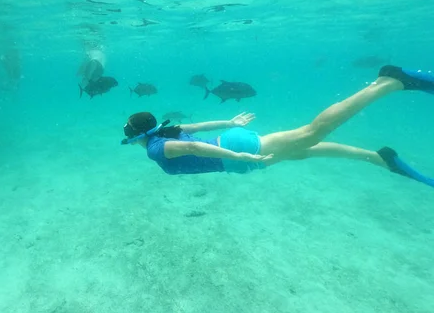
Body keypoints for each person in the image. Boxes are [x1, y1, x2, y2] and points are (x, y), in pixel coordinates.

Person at [120, 65, 434, 187]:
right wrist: (229, 122)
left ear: (137, 137)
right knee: (301, 151)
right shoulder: (163, 132)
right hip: (232, 143)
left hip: (236, 152)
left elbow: (191, 145)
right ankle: (376, 158)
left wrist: (239, 157)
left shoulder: (156, 148)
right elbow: (198, 127)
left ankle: (385, 84)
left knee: (311, 133)